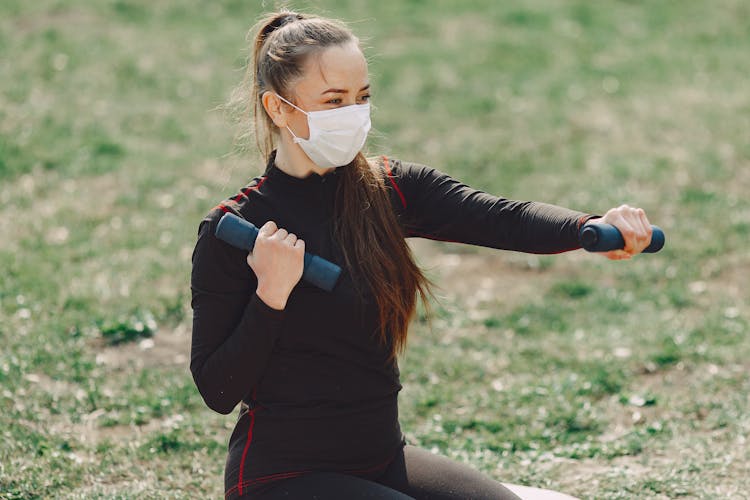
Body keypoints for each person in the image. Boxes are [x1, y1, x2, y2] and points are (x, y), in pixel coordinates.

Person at [190, 10, 654, 500]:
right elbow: (218, 390)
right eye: (333, 101)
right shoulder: (232, 230)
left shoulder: (387, 188)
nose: (354, 113)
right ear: (278, 108)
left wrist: (592, 228)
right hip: (283, 478)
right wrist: (270, 296)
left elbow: (497, 216)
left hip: (382, 458)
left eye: (362, 97)